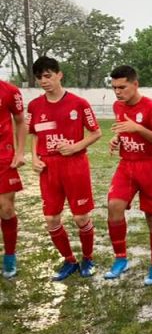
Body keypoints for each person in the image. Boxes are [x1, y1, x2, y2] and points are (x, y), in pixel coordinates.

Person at [26, 56, 101, 280]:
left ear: (59, 75)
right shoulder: (35, 105)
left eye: (48, 76)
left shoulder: (79, 103)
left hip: (74, 166)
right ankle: (69, 261)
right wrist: (34, 157)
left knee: (80, 218)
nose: (43, 81)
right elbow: (34, 134)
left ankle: (88, 258)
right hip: (48, 168)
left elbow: (96, 132)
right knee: (51, 219)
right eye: (39, 77)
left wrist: (75, 146)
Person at [104, 65, 152, 285]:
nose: (118, 92)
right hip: (127, 166)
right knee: (114, 207)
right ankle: (120, 259)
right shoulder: (117, 106)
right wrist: (117, 139)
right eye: (114, 88)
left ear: (135, 84)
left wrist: (138, 128)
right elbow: (124, 130)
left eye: (122, 87)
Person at [0, 77, 26, 278]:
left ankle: (9, 256)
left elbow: (20, 121)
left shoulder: (10, 91)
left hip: (3, 157)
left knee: (6, 208)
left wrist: (20, 153)